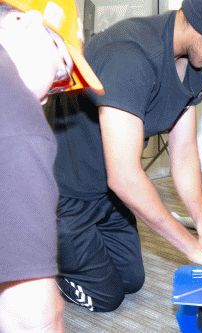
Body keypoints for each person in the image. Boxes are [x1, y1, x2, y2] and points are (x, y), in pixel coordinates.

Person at [46, 0, 202, 313]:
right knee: (107, 297)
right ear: (196, 22)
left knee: (131, 280)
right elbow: (124, 176)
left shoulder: (198, 63)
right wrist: (190, 247)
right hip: (64, 195)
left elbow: (185, 151)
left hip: (107, 197)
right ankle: (41, 259)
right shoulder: (129, 55)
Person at [0, 0, 104, 331]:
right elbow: (31, 317)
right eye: (60, 72)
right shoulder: (17, 118)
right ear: (25, 23)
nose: (48, 97)